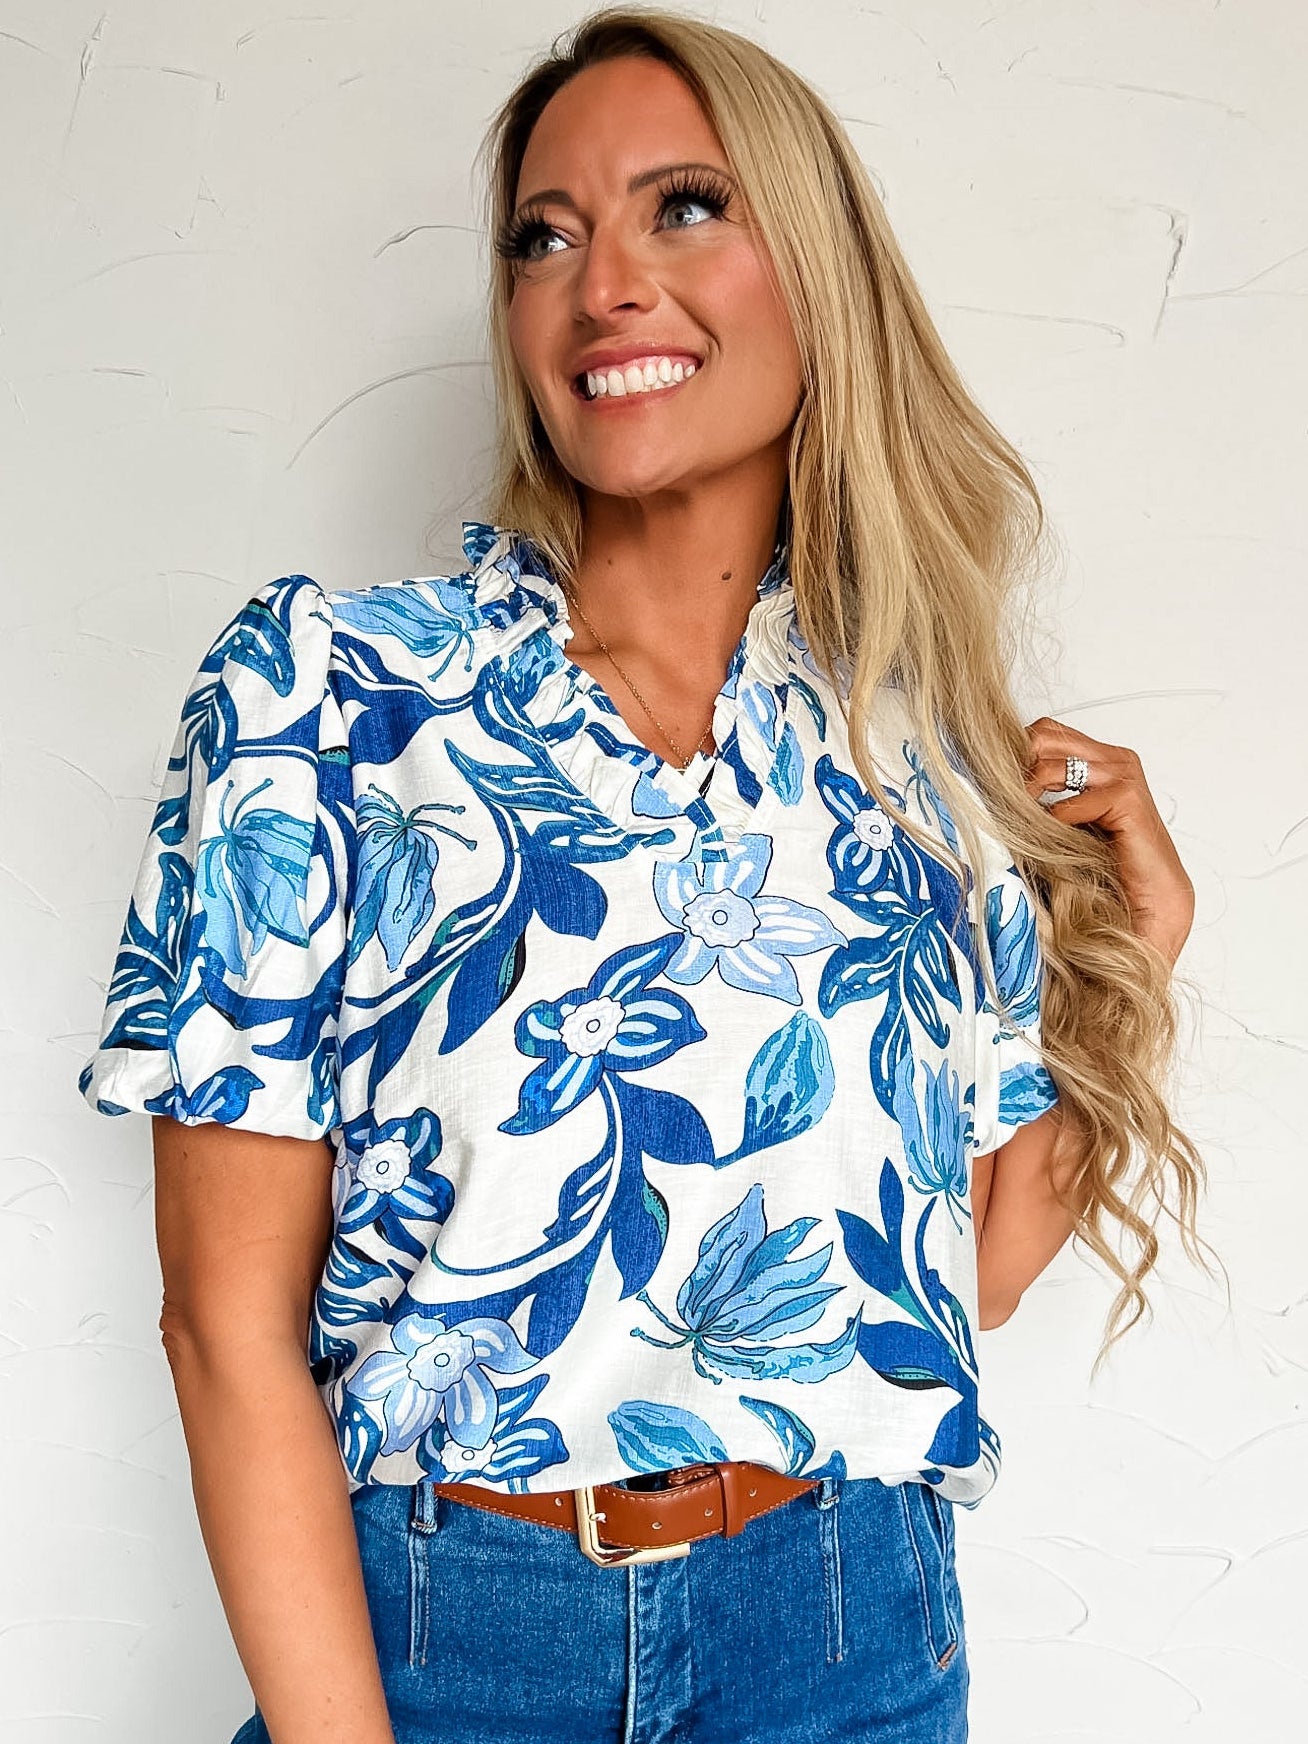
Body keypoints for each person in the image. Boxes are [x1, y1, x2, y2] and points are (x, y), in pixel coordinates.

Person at [79, 9, 1205, 1742]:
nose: (603, 284)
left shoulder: (918, 749)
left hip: (849, 1628)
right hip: (449, 1644)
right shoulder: (330, 698)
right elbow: (223, 1325)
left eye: (684, 206)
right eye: (545, 237)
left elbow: (943, 1289)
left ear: (819, 274)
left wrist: (1143, 948)